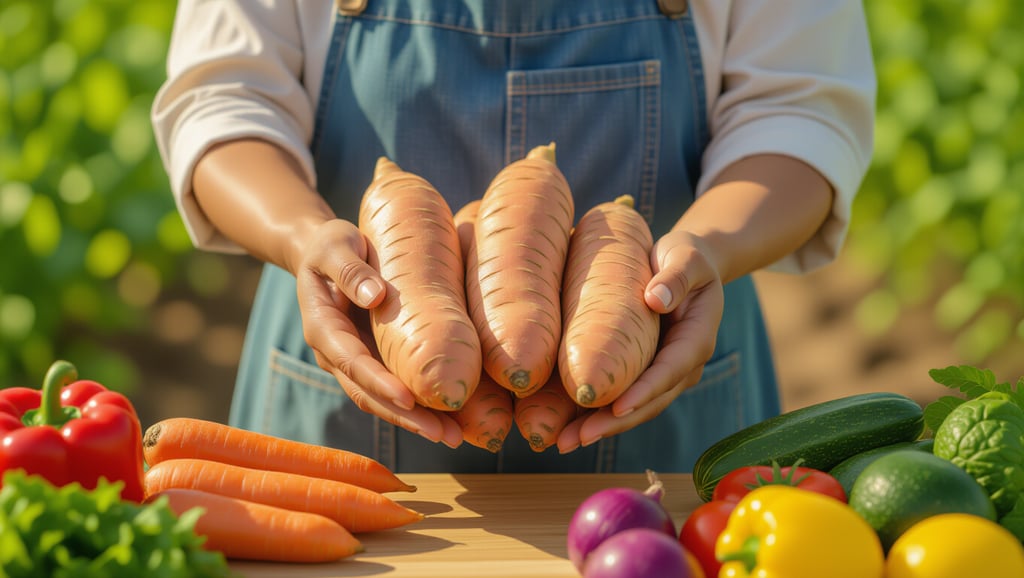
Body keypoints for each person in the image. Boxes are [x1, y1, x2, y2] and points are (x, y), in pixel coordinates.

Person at [151, 0, 875, 473]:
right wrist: (304, 238)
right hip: (347, 393)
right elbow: (224, 98)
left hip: (662, 381)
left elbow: (798, 112)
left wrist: (707, 251)